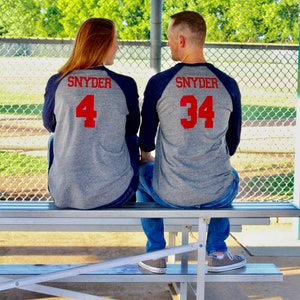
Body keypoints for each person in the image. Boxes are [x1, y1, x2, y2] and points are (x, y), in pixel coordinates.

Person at [137, 11, 246, 273]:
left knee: (142, 175)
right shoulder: (228, 84)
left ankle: (156, 253)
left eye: (171, 38)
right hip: (216, 192)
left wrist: (150, 157)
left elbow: (147, 141)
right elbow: (232, 144)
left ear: (183, 40)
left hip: (170, 193)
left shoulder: (159, 83)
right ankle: (217, 251)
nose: (168, 44)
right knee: (228, 175)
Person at [42, 18, 140, 209]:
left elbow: (50, 125)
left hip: (64, 193)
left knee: (54, 138)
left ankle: (68, 182)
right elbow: (132, 128)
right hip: (116, 193)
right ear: (101, 45)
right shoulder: (125, 84)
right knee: (131, 139)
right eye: (115, 41)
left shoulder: (57, 81)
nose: (117, 47)